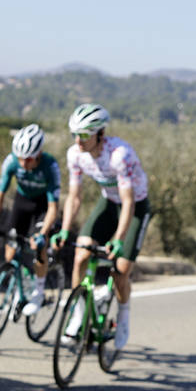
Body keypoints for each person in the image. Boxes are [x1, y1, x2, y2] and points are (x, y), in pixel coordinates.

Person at [53, 103, 150, 349]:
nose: (78, 140)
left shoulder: (120, 155)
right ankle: (78, 316)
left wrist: (118, 238)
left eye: (84, 135)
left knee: (120, 271)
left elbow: (128, 201)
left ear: (100, 134)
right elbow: (74, 196)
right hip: (108, 203)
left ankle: (124, 317)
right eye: (74, 134)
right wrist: (65, 228)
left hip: (135, 207)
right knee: (80, 255)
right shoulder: (75, 154)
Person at [0, 123, 61, 316]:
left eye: (29, 159)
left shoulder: (50, 166)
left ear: (39, 153)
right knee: (10, 251)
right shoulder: (11, 162)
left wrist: (42, 234)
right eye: (21, 159)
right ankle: (21, 288)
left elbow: (53, 207)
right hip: (22, 202)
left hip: (42, 206)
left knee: (39, 246)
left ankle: (39, 292)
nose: (24, 164)